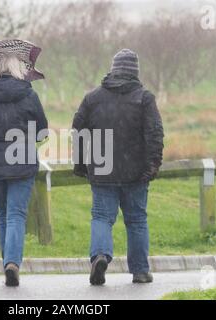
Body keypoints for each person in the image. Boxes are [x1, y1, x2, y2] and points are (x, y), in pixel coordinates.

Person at [72, 49, 164, 285]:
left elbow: (78, 130)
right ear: (135, 72)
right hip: (136, 171)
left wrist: (81, 164)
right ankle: (141, 271)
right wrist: (152, 165)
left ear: (113, 69)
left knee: (102, 217)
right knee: (136, 221)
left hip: (102, 169)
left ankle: (100, 255)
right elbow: (154, 134)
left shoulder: (93, 98)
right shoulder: (144, 98)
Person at [0, 54, 48, 286]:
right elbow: (42, 131)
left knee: (3, 214)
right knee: (16, 214)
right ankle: (12, 264)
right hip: (22, 160)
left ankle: (8, 263)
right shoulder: (29, 94)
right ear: (18, 69)